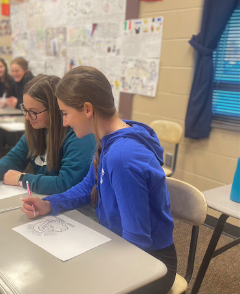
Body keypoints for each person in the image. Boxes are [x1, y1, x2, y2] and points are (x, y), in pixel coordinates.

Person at [21, 67, 177, 294]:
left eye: (65, 113)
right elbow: (88, 186)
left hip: (151, 263)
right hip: (122, 244)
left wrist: (98, 268)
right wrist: (50, 203)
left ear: (87, 109)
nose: (63, 123)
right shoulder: (110, 140)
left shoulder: (121, 156)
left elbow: (138, 239)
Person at [0, 74, 96, 195]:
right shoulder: (37, 129)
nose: (27, 117)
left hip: (72, 210)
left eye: (33, 112)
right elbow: (14, 158)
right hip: (44, 202)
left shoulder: (80, 135)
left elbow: (66, 184)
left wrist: (22, 179)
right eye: (25, 110)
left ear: (54, 109)